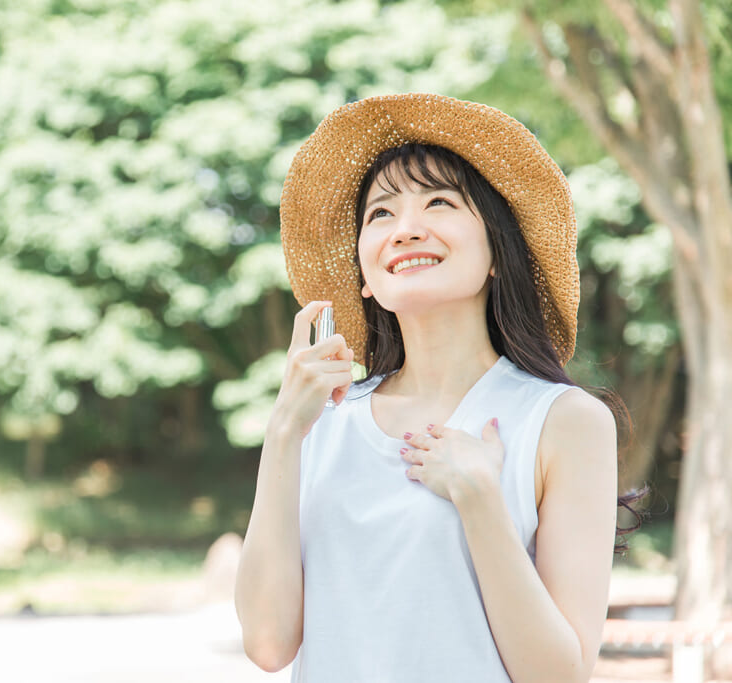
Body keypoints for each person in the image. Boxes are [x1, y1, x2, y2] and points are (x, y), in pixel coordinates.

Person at [234, 93, 644, 682]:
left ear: (499, 254)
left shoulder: (564, 421)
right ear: (365, 277)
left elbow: (560, 675)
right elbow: (269, 644)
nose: (406, 229)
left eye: (439, 202)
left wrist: (480, 499)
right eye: (380, 213)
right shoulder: (321, 419)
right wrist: (282, 431)